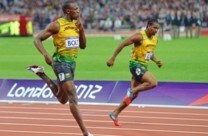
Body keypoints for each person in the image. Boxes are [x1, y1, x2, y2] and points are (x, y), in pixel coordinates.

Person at [26, 1, 93, 136]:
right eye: (76, 9)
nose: (78, 12)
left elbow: (83, 46)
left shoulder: (76, 24)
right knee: (73, 96)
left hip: (72, 64)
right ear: (68, 11)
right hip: (60, 63)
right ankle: (86, 133)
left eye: (78, 9)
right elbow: (37, 39)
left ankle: (41, 73)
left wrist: (81, 30)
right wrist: (45, 54)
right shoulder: (57, 25)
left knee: (62, 99)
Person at [106, 19, 162, 126]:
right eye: (154, 28)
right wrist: (112, 58)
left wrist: (156, 61)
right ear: (148, 26)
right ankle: (132, 90)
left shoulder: (155, 39)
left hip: (143, 66)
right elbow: (122, 44)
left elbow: (150, 52)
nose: (156, 30)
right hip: (135, 65)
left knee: (134, 96)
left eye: (158, 29)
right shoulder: (139, 36)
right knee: (153, 83)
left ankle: (115, 113)